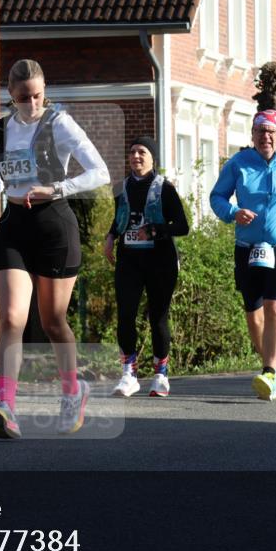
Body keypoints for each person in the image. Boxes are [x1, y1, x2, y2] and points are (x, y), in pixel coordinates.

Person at [0, 59, 110, 439]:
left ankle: (72, 392)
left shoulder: (59, 124)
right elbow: (3, 168)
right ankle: (7, 406)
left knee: (52, 322)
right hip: (14, 226)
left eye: (36, 96)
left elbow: (100, 172)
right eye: (22, 98)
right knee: (13, 318)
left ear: (44, 91)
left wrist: (57, 188)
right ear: (10, 97)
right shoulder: (2, 127)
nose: (30, 105)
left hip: (54, 226)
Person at [210, 109, 276, 401]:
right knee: (254, 315)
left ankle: (270, 372)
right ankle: (270, 364)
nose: (265, 137)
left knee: (275, 308)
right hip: (248, 248)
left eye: (271, 132)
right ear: (253, 135)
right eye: (260, 132)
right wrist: (233, 212)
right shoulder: (239, 163)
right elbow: (217, 197)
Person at [104, 136, 189, 397]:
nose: (136, 156)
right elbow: (120, 218)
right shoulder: (120, 188)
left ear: (153, 158)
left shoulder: (165, 188)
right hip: (129, 260)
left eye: (142, 152)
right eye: (132, 152)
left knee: (158, 316)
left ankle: (160, 375)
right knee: (126, 315)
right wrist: (110, 237)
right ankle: (129, 373)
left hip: (160, 260)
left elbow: (182, 226)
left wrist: (154, 230)